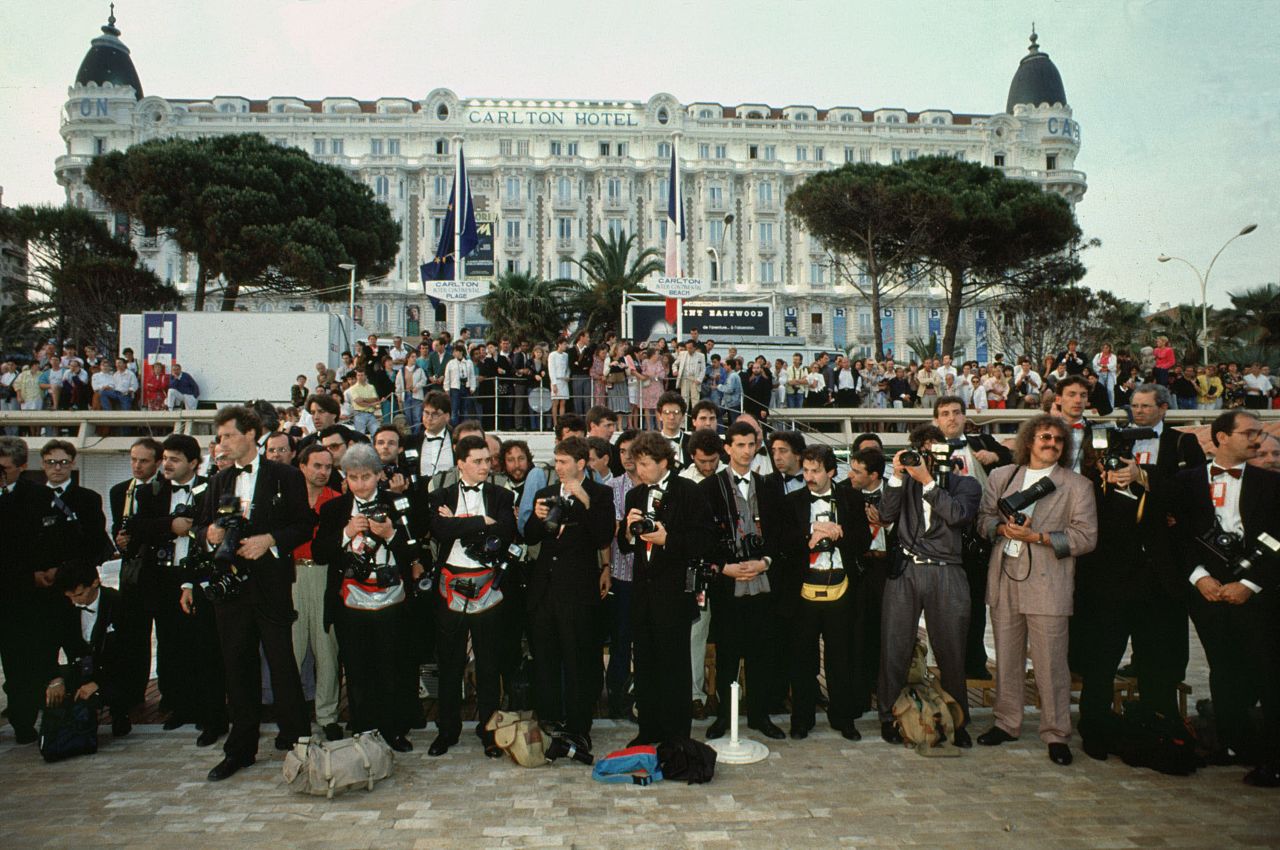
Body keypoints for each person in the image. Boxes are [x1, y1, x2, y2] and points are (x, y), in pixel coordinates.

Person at [195, 406, 314, 781]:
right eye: (220, 437)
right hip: (231, 587)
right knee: (237, 666)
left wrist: (270, 540)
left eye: (229, 435)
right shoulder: (219, 480)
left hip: (271, 584)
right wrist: (208, 534)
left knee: (282, 664)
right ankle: (240, 749)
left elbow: (304, 525)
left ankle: (297, 740)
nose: (223, 443)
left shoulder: (286, 476)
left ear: (251, 434)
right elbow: (201, 525)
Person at [976, 414, 1097, 766]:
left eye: (1058, 440)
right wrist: (1002, 530)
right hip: (1005, 576)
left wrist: (1038, 536)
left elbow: (1086, 538)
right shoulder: (1002, 476)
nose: (1052, 444)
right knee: (1006, 658)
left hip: (1049, 581)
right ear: (1029, 441)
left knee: (1051, 663)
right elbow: (983, 520)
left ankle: (1056, 733)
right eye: (1045, 437)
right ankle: (1006, 722)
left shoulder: (1077, 485)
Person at [1172, 411, 1280, 787]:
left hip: (1258, 594)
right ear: (1221, 437)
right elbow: (1175, 538)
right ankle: (1232, 743)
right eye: (1249, 433)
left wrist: (1250, 584)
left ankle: (1273, 759)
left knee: (1268, 672)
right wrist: (1199, 578)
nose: (1257, 439)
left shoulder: (1272, 483)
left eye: (1259, 433)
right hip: (1207, 592)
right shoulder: (1185, 482)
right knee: (1223, 668)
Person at [876, 423, 982, 748]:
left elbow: (958, 516)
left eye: (935, 451)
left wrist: (929, 482)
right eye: (922, 452)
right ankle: (889, 717)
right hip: (907, 569)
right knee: (894, 646)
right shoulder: (904, 483)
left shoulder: (966, 484)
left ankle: (958, 720)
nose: (928, 458)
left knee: (952, 651)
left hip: (947, 571)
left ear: (946, 452)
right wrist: (897, 476)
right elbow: (884, 515)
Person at [313, 444, 418, 753]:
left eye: (367, 477)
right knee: (357, 668)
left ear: (379, 475)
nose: (360, 484)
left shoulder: (398, 502)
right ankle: (363, 729)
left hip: (391, 596)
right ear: (345, 477)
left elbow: (415, 551)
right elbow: (320, 553)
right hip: (350, 599)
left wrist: (390, 535)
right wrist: (346, 533)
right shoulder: (334, 509)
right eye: (353, 477)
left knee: (391, 665)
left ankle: (393, 729)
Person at [617, 431, 715, 746]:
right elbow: (625, 545)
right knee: (644, 665)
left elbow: (704, 541)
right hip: (642, 594)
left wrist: (667, 539)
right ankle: (648, 729)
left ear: (664, 462)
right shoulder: (634, 495)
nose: (639, 470)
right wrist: (627, 531)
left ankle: (676, 736)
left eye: (645, 464)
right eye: (636, 464)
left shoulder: (689, 491)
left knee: (674, 668)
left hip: (674, 594)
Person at [427, 435, 516, 758]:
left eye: (487, 460)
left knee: (489, 664)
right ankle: (446, 731)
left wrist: (458, 523)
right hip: (449, 585)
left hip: (488, 586)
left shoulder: (502, 495)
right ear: (460, 463)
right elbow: (439, 531)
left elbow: (506, 532)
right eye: (477, 461)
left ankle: (489, 733)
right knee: (449, 663)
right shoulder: (440, 495)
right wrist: (481, 522)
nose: (485, 466)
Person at [524, 437, 615, 744]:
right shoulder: (546, 493)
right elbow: (529, 537)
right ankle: (549, 719)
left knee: (578, 661)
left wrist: (585, 502)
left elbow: (603, 536)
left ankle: (578, 727)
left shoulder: (600, 494)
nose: (558, 467)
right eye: (556, 461)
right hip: (544, 590)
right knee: (545, 659)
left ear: (581, 463)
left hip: (577, 591)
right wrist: (537, 518)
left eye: (563, 462)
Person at [700, 421, 786, 741]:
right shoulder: (710, 487)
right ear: (728, 448)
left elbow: (780, 536)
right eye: (740, 445)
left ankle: (760, 715)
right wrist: (725, 567)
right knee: (727, 654)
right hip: (727, 584)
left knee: (762, 652)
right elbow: (702, 537)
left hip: (762, 583)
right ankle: (724, 715)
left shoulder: (769, 486)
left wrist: (765, 562)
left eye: (751, 445)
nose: (747, 451)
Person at [783, 444, 872, 739]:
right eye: (806, 470)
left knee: (841, 657)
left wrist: (839, 533)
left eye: (816, 471)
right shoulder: (793, 501)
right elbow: (782, 543)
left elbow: (863, 541)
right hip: (804, 589)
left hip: (841, 588)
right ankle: (802, 719)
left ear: (832, 472)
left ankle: (843, 718)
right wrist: (809, 535)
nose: (809, 476)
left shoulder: (851, 498)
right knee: (802, 658)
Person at [931, 395, 1014, 679]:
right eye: (945, 413)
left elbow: (1013, 458)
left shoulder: (982, 442)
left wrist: (995, 457)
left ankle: (975, 662)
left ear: (965, 417)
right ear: (936, 420)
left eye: (956, 412)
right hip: (942, 535)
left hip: (978, 533)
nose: (951, 418)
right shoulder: (929, 447)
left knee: (976, 601)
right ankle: (947, 663)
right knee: (944, 604)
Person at [290, 444, 343, 741]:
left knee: (327, 650)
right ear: (303, 466)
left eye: (328, 467)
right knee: (292, 649)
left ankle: (327, 715)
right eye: (317, 466)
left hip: (324, 574)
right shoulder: (288, 499)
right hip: (293, 575)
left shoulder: (336, 500)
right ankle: (292, 717)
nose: (323, 472)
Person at [44, 561, 132, 739]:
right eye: (69, 596)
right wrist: (55, 678)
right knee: (45, 690)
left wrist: (98, 683)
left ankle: (120, 714)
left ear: (95, 582)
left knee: (116, 686)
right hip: (81, 667)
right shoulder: (64, 605)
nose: (75, 602)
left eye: (79, 595)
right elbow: (49, 644)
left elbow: (128, 653)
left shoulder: (118, 603)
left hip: (111, 670)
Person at [1127, 384, 1207, 475]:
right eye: (1134, 406)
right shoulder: (1122, 440)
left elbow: (1197, 480)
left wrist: (1144, 477)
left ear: (1163, 408)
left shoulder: (1184, 441)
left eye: (1145, 406)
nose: (1138, 411)